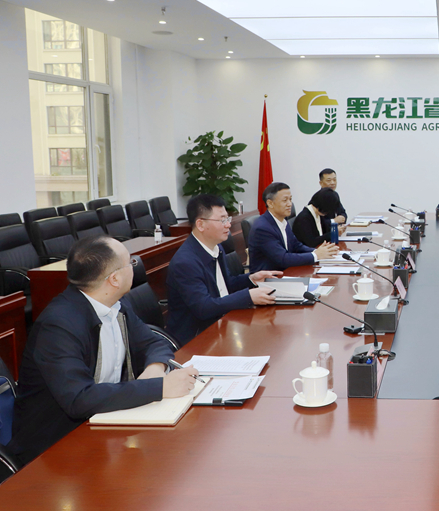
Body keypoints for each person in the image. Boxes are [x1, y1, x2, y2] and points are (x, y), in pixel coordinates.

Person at [9, 235, 198, 466]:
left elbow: (154, 342)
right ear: (115, 279)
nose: (134, 266)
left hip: (106, 425)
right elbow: (79, 398)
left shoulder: (116, 304)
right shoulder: (58, 326)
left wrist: (155, 369)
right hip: (55, 451)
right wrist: (160, 387)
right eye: (130, 262)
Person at [168, 194, 282, 347]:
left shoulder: (216, 248)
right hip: (197, 338)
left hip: (222, 324)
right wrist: (248, 296)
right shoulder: (185, 262)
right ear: (201, 224)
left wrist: (252, 279)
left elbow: (226, 286)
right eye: (222, 220)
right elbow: (204, 308)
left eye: (227, 219)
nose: (228, 225)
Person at [251, 183, 338, 271]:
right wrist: (315, 255)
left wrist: (318, 251)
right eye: (285, 200)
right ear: (270, 203)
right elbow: (282, 259)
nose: (290, 204)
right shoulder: (263, 228)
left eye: (290, 199)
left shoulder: (283, 221)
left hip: (285, 272)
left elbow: (296, 246)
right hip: (270, 276)